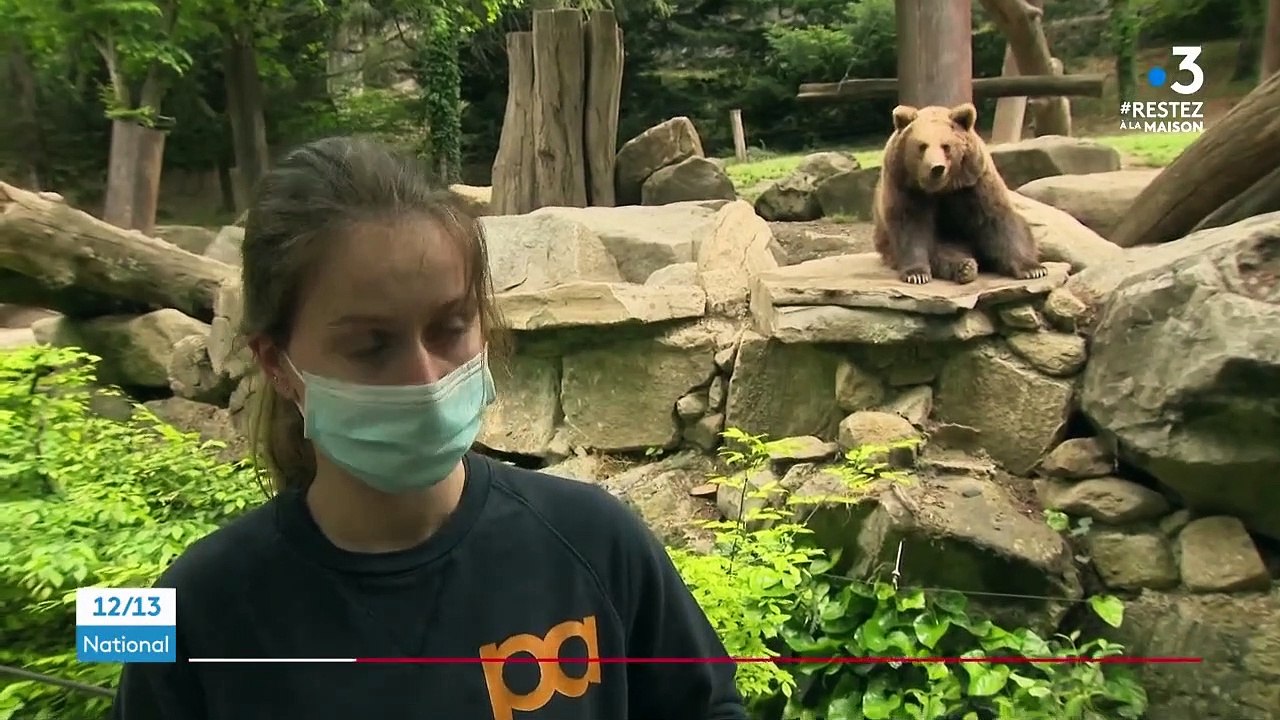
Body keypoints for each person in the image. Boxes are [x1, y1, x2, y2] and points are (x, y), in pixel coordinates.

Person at [110, 136, 748, 720]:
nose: (423, 377)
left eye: (449, 329)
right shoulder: (202, 609)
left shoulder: (593, 541)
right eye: (369, 345)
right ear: (279, 365)